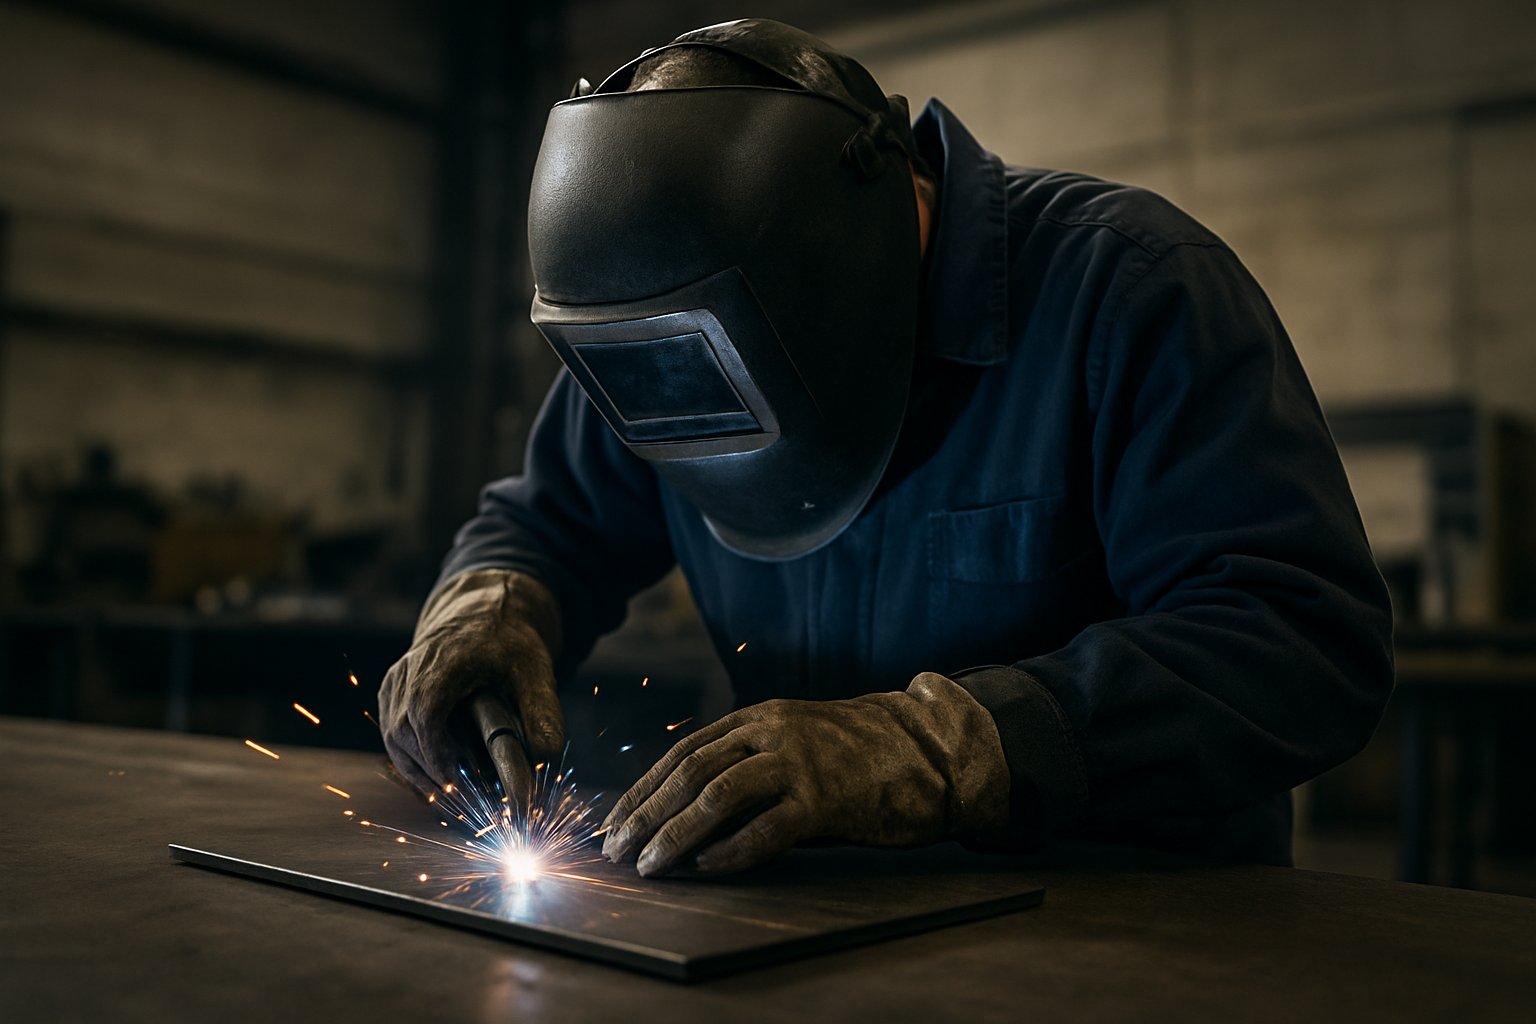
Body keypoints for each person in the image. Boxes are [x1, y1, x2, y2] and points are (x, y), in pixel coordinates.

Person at [378, 19, 1394, 878]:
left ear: (890, 211)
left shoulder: (1129, 291)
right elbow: (547, 526)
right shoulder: (660, 328)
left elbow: (1300, 642)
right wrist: (490, 605)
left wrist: (947, 748)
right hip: (815, 918)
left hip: (1131, 924)